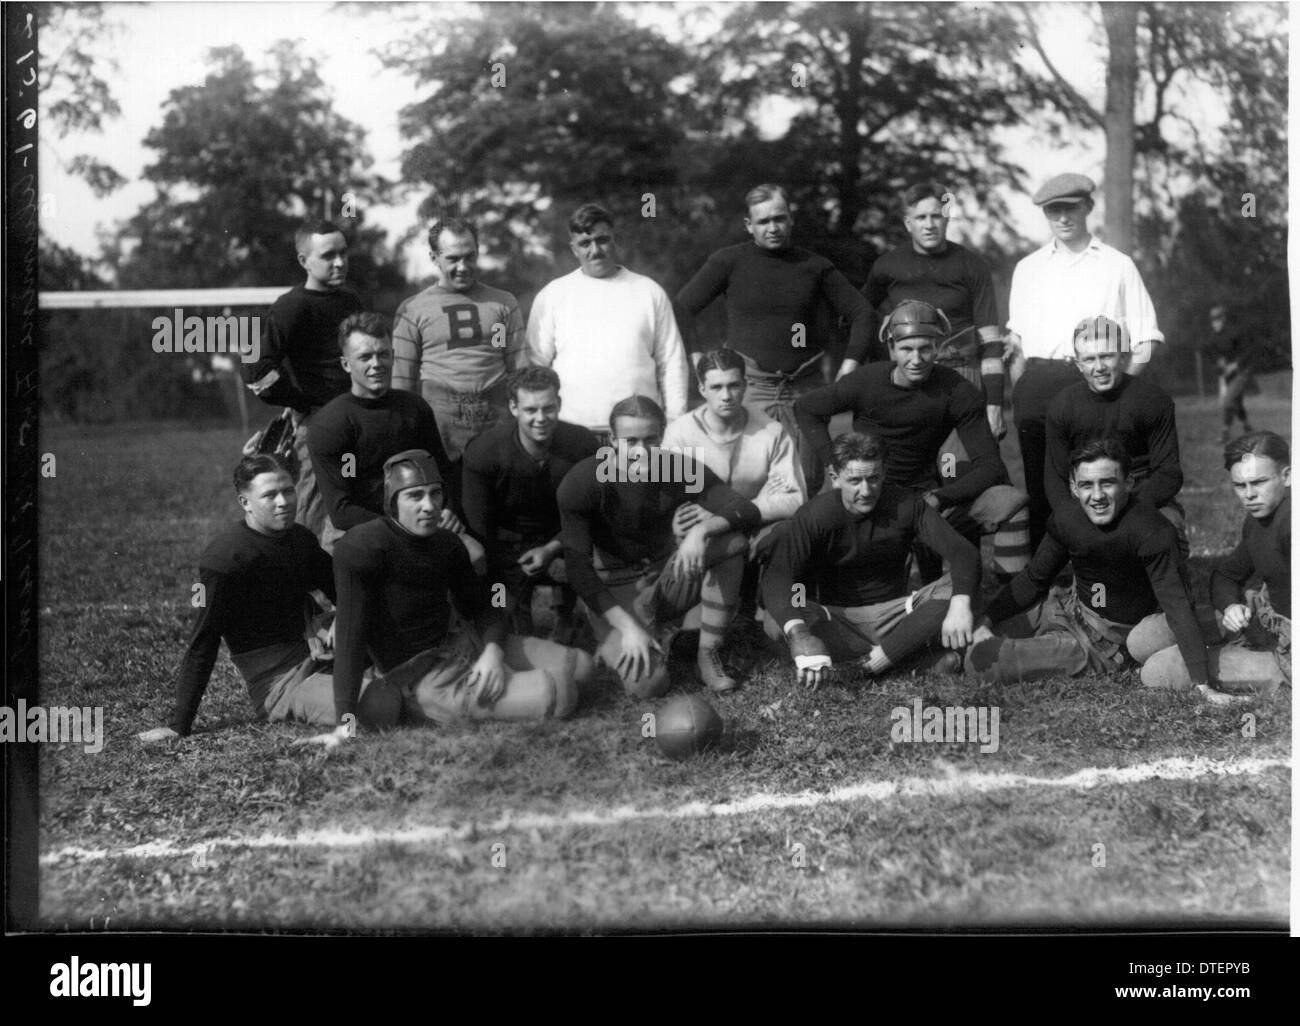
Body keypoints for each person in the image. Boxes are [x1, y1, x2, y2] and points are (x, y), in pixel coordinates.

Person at [300, 450, 595, 749]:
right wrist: (344, 726)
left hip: (465, 643)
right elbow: (351, 639)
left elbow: (482, 607)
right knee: (560, 693)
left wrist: (493, 653)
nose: (429, 506)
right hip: (423, 678)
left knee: (583, 667)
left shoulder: (447, 543)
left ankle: (504, 671)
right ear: (392, 503)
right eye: (415, 496)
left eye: (435, 494)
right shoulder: (362, 547)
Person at [966, 438, 1240, 704]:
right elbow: (1034, 578)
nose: (1096, 496)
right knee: (974, 632)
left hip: (1102, 643)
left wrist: (1202, 685)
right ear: (1073, 487)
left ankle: (1218, 626)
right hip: (1065, 607)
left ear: (1128, 482)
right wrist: (987, 620)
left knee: (987, 662)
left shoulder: (1152, 530)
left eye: (1107, 483)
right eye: (1086, 485)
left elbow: (1177, 606)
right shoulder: (1068, 518)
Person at [136, 455, 376, 743]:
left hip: (321, 653)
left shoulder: (299, 539)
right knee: (379, 705)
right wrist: (179, 724)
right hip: (279, 683)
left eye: (288, 491)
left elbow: (344, 590)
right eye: (270, 495)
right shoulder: (225, 559)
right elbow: (204, 641)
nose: (283, 501)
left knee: (404, 665)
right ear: (245, 502)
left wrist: (343, 618)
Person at [794, 299, 1031, 582]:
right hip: (868, 493)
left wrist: (939, 498)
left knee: (1011, 500)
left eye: (925, 349)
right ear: (892, 349)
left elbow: (990, 466)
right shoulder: (865, 381)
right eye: (906, 349)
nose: (916, 360)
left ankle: (1013, 603)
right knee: (817, 544)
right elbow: (807, 408)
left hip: (925, 496)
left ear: (937, 348)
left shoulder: (956, 389)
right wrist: (834, 465)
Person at [557, 395, 763, 696]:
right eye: (631, 441)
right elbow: (577, 569)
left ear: (662, 435)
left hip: (663, 576)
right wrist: (627, 629)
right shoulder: (584, 481)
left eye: (650, 440)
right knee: (649, 685)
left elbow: (745, 509)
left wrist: (701, 531)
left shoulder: (675, 468)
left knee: (731, 542)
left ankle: (707, 653)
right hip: (616, 589)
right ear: (612, 440)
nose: (642, 452)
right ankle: (638, 637)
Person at [674, 183, 873, 485]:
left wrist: (849, 368)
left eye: (779, 218)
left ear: (791, 219)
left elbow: (863, 313)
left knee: (805, 481)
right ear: (748, 225)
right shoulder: (728, 262)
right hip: (748, 389)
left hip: (805, 390)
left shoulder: (815, 266)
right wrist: (699, 361)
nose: (773, 228)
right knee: (747, 480)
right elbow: (681, 308)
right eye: (763, 221)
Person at [1006, 173, 1163, 550]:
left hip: (1094, 384)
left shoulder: (1117, 265)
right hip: (1038, 383)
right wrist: (1022, 391)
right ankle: (1049, 581)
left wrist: (1115, 388)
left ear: (1088, 207)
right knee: (1042, 483)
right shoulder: (1028, 268)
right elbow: (1016, 343)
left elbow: (1145, 338)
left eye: (1070, 208)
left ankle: (1102, 568)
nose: (1062, 218)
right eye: (1053, 211)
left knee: (1096, 480)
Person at [760, 432, 978, 690]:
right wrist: (799, 633)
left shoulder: (905, 504)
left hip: (899, 615)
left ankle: (868, 667)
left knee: (961, 587)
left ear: (884, 474)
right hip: (836, 619)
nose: (866, 490)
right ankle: (904, 660)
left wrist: (961, 603)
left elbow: (964, 553)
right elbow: (778, 576)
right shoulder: (815, 515)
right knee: (775, 620)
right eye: (854, 480)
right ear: (835, 478)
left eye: (873, 478)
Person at [662, 348, 806, 628]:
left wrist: (724, 514)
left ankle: (766, 609)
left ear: (745, 385)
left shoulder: (771, 430)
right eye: (716, 387)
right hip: (700, 541)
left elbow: (795, 499)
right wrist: (760, 499)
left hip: (754, 532)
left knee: (787, 532)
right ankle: (692, 610)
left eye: (733, 385)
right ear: (702, 388)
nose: (726, 396)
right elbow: (672, 503)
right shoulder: (679, 434)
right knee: (690, 630)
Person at [391, 218, 525, 508]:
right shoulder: (413, 309)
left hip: (495, 423)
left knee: (501, 509)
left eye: (470, 256)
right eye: (452, 259)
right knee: (450, 511)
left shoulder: (502, 303)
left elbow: (517, 368)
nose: (462, 267)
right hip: (442, 432)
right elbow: (402, 383)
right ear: (434, 258)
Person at [526, 203, 689, 441]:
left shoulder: (649, 291)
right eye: (585, 243)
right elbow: (535, 366)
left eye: (602, 240)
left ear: (615, 240)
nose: (595, 250)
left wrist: (675, 421)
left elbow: (672, 361)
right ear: (574, 249)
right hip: (571, 431)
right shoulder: (552, 295)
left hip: (638, 435)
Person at [1143, 431, 1290, 694]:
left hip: (1287, 650)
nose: (1249, 495)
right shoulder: (1257, 520)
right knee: (1143, 639)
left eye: (1259, 482)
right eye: (1240, 485)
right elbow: (1225, 574)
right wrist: (1231, 605)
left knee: (1158, 669)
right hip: (1264, 622)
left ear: (1288, 476)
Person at [461, 366, 602, 640]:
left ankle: (566, 614)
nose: (541, 418)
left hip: (562, 536)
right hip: (505, 542)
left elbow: (592, 511)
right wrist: (510, 562)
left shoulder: (583, 444)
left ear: (559, 404)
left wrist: (553, 548)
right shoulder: (485, 451)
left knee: (592, 551)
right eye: (530, 410)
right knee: (501, 609)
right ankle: (508, 613)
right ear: (513, 407)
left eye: (548, 408)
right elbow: (478, 524)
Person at [242, 220, 363, 536]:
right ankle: (307, 582)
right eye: (327, 255)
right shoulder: (292, 306)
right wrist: (300, 402)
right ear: (303, 261)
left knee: (359, 507)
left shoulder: (352, 300)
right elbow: (256, 369)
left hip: (359, 420)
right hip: (318, 425)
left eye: (343, 253)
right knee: (311, 514)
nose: (339, 262)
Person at [862, 181, 1006, 440]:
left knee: (958, 467)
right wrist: (875, 368)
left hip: (960, 377)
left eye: (936, 216)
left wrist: (994, 405)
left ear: (947, 217)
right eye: (920, 217)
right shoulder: (887, 266)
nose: (929, 224)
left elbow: (991, 341)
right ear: (908, 223)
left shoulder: (973, 266)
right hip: (907, 378)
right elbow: (861, 318)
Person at [307, 311, 460, 552]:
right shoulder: (331, 424)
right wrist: (403, 528)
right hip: (360, 531)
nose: (376, 364)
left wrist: (449, 507)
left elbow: (442, 468)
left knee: (475, 557)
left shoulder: (414, 407)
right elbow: (342, 511)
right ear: (346, 364)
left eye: (383, 355)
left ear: (393, 356)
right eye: (365, 357)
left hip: (422, 520)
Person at [1045, 315, 1187, 552]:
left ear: (1123, 356)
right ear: (1078, 364)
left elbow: (1169, 472)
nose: (1099, 367)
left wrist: (1128, 509)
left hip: (1140, 489)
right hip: (1090, 494)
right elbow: (1055, 477)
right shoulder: (1062, 406)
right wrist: (1074, 518)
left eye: (1107, 356)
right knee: (1065, 541)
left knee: (1167, 529)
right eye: (1089, 359)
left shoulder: (1153, 400)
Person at [1207, 303, 1257, 444]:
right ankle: (1248, 428)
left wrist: (1235, 364)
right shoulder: (1214, 338)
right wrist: (1219, 363)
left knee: (1228, 400)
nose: (1215, 322)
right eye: (1213, 319)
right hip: (1229, 374)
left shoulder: (1234, 333)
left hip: (1242, 371)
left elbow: (1248, 351)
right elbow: (1215, 358)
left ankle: (1225, 433)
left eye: (1218, 318)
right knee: (1237, 403)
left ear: (1224, 318)